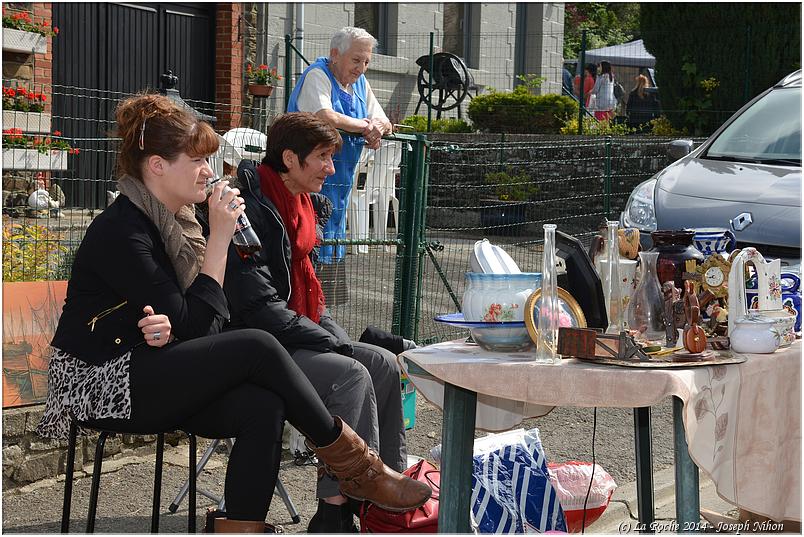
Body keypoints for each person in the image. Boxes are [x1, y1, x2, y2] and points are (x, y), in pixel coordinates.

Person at [34, 94, 430, 533]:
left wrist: (170, 320)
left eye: (210, 159)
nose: (209, 170)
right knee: (257, 345)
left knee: (263, 404)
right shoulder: (123, 230)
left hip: (149, 365)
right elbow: (199, 325)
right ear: (157, 166)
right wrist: (219, 239)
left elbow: (199, 323)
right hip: (100, 380)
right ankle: (359, 468)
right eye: (198, 160)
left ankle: (242, 527)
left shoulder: (178, 223)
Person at [224, 112, 408, 533]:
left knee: (381, 363)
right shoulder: (247, 214)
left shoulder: (303, 205)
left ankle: (382, 492)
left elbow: (311, 298)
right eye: (323, 157)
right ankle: (334, 510)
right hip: (256, 346)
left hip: (292, 334)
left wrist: (334, 338)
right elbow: (260, 309)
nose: (331, 167)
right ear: (290, 158)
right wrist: (333, 345)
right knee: (350, 375)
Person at [287, 26, 392, 265]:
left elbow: (384, 120)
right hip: (306, 185)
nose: (361, 68)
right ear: (335, 54)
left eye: (366, 62)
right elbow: (326, 116)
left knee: (331, 250)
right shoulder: (318, 75)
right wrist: (366, 126)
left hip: (340, 185)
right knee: (305, 247)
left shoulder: (360, 83)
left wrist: (378, 127)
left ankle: (325, 302)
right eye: (356, 60)